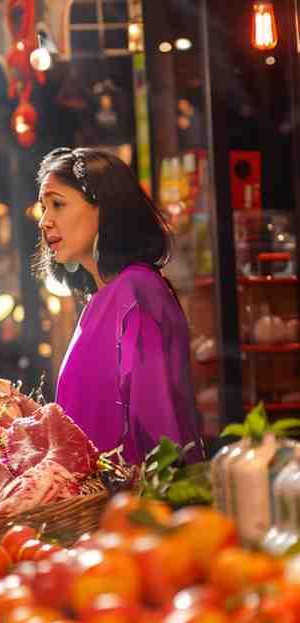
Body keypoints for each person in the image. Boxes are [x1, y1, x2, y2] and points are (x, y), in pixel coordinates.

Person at [35, 147, 203, 465]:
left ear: (104, 209)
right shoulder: (103, 299)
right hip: (100, 505)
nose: (45, 221)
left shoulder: (135, 291)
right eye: (44, 207)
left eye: (57, 204)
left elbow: (158, 428)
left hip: (137, 506)